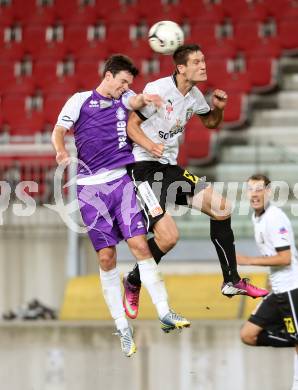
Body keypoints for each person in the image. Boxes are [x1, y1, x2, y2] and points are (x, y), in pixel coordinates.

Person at [51, 55, 190, 358]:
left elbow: (137, 100)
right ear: (108, 76)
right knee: (106, 257)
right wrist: (61, 151)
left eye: (129, 83)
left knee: (140, 245)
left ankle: (165, 311)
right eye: (123, 81)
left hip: (121, 182)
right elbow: (58, 131)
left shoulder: (126, 97)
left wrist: (146, 97)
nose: (126, 87)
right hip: (90, 190)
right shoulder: (79, 101)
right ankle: (122, 327)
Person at [122, 43, 268, 320]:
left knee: (222, 208)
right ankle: (133, 280)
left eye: (204, 60)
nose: (204, 65)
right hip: (142, 169)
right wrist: (149, 145)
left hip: (170, 168)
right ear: (181, 68)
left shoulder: (195, 96)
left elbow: (211, 123)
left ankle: (231, 281)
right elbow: (132, 126)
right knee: (168, 238)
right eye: (197, 61)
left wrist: (218, 109)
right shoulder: (159, 90)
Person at [237, 174, 298, 390]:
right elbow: (272, 257)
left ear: (269, 192)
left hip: (292, 288)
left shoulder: (274, 218)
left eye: (259, 189)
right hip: (279, 289)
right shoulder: (257, 217)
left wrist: (248, 260)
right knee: (248, 334)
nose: (254, 194)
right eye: (251, 189)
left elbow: (285, 258)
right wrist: (269, 288)